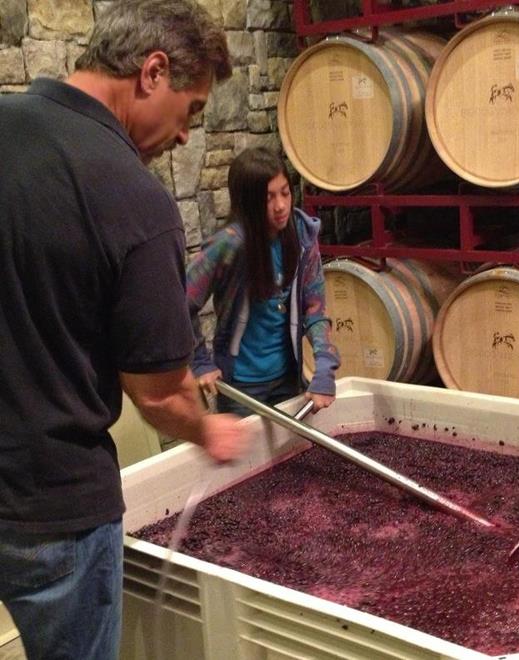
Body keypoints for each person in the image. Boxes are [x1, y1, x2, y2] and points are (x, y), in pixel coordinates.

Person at [0, 2, 250, 659]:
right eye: (191, 110)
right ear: (153, 72)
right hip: (54, 508)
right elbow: (159, 395)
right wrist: (209, 430)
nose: (186, 136)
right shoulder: (133, 198)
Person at [187, 146, 340, 416]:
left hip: (287, 379)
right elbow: (182, 302)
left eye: (285, 193)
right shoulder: (229, 244)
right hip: (241, 388)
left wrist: (325, 366)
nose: (280, 206)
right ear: (248, 202)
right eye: (268, 198)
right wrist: (199, 361)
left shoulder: (302, 235)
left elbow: (315, 310)